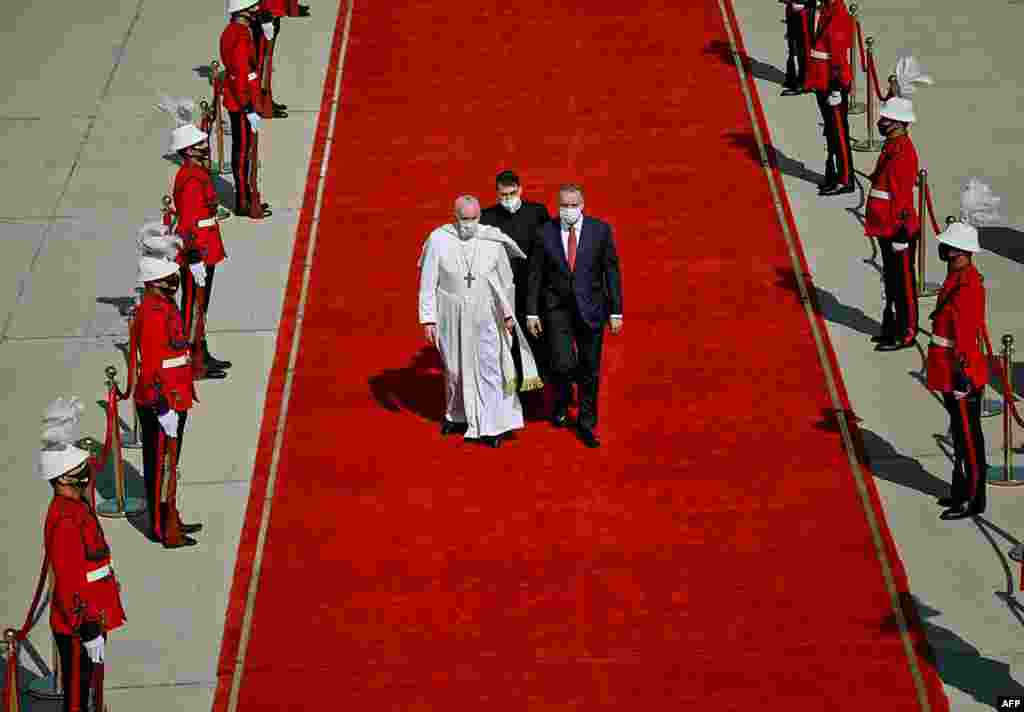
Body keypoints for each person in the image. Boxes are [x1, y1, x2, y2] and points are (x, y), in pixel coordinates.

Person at [418, 195, 542, 447]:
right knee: (454, 368)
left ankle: (493, 425)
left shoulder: (492, 241)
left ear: (480, 217)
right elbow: (428, 283)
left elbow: (506, 282)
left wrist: (508, 314)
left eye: (474, 219)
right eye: (464, 219)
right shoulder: (438, 240)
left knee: (489, 369)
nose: (469, 224)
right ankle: (457, 415)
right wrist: (428, 319)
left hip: (486, 314)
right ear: (455, 216)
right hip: (450, 313)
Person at [38, 397, 126, 712]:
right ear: (63, 477)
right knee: (77, 696)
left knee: (87, 688)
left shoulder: (74, 508)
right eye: (79, 467)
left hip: (94, 608)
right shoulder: (65, 519)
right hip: (80, 620)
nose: (85, 469)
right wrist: (88, 629)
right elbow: (69, 581)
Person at [525, 184, 623, 449]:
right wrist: (532, 311)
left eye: (572, 205)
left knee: (590, 369)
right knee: (562, 363)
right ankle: (562, 398)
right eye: (563, 205)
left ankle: (586, 423)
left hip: (591, 309)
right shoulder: (545, 232)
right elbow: (535, 274)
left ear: (582, 205)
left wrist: (616, 310)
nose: (567, 210)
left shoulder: (600, 231)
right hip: (557, 310)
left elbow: (611, 271)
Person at [131, 256, 203, 547]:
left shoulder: (163, 305)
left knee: (169, 465)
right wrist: (161, 407)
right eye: (168, 278)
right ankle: (162, 528)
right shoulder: (151, 313)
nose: (174, 282)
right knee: (161, 465)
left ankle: (170, 512)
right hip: (162, 401)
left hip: (175, 394)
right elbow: (149, 366)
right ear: (152, 283)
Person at [926, 221, 988, 520]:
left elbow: (963, 334)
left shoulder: (966, 286)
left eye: (950, 248)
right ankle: (961, 491)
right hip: (950, 368)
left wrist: (962, 373)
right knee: (962, 437)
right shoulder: (957, 278)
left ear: (962, 252)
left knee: (968, 440)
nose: (945, 251)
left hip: (960, 372)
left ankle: (971, 499)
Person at [480, 170, 552, 414]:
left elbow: (549, 248)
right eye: (503, 194)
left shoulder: (537, 212)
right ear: (497, 193)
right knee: (507, 342)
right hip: (503, 291)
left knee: (538, 340)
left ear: (520, 189)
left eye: (512, 193)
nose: (508, 198)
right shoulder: (487, 217)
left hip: (535, 290)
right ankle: (513, 397)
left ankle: (539, 396)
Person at [168, 121, 232, 376]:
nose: (204, 146)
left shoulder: (196, 173)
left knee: (200, 306)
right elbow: (189, 222)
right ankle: (194, 360)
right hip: (200, 250)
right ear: (188, 151)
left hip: (207, 247)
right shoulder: (192, 179)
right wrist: (194, 256)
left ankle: (201, 352)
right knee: (194, 307)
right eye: (199, 144)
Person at [864, 96, 920, 351]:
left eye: (887, 119)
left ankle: (907, 332)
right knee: (892, 281)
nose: (882, 122)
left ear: (899, 123)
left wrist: (900, 231)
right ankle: (893, 327)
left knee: (904, 284)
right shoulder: (892, 146)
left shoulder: (902, 152)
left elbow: (902, 196)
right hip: (884, 224)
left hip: (897, 227)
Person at [221, 0, 271, 219]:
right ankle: (244, 200)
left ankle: (246, 195)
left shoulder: (235, 31)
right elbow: (242, 74)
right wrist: (249, 107)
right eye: (252, 8)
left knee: (243, 151)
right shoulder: (240, 37)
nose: (256, 10)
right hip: (242, 102)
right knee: (243, 153)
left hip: (242, 98)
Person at [804, 0, 854, 195]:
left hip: (831, 83)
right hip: (821, 80)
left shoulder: (838, 15)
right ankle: (834, 174)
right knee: (831, 132)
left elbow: (839, 56)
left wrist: (836, 88)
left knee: (838, 134)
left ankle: (845, 179)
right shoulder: (827, 8)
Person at [781, 0, 814, 96]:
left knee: (802, 50)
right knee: (794, 48)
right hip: (794, 14)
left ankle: (804, 83)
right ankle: (794, 79)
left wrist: (807, 4)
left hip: (805, 14)